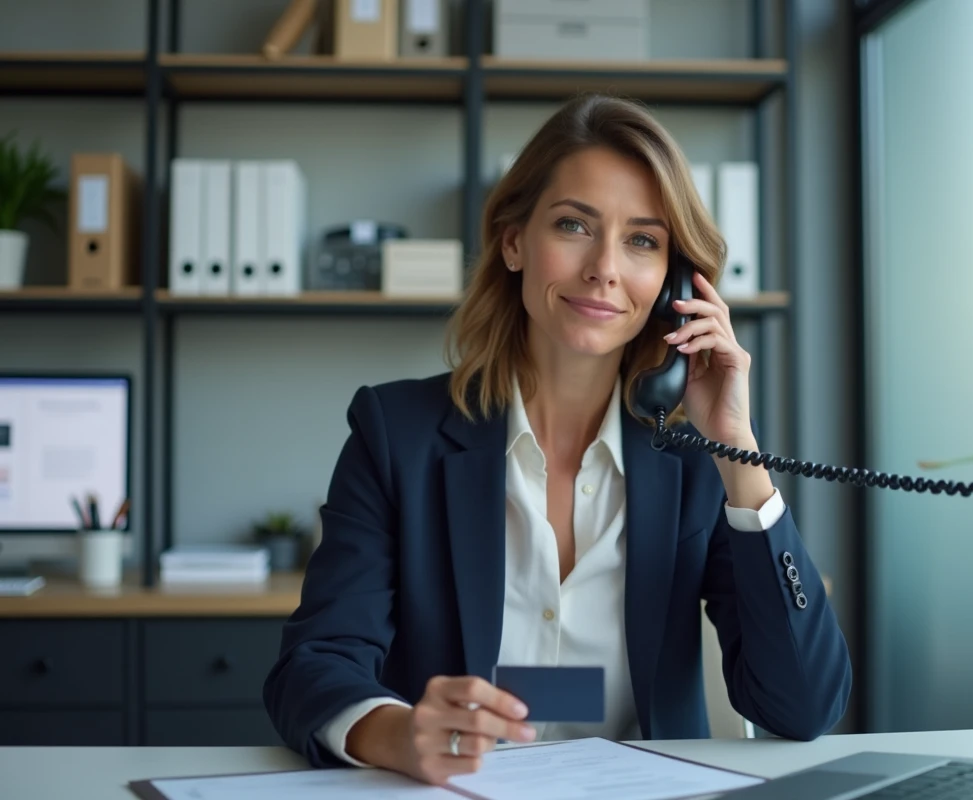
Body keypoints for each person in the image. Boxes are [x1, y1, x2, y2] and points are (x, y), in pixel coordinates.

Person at [262, 93, 851, 785]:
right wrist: (396, 732)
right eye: (574, 225)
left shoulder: (695, 463)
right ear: (514, 241)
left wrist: (737, 450)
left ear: (675, 286)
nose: (604, 266)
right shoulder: (397, 436)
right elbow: (314, 664)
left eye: (642, 241)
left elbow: (804, 705)